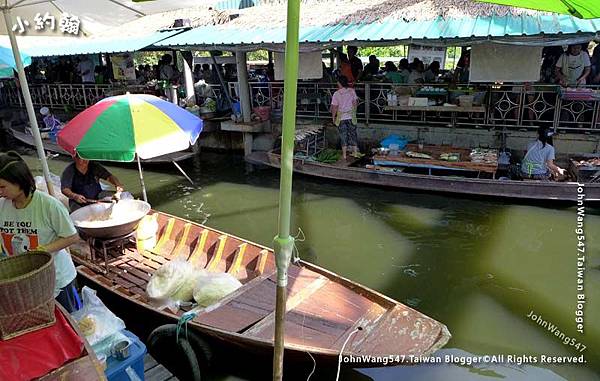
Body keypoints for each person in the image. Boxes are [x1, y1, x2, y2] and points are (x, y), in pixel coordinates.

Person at [0, 152, 81, 312]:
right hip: (25, 281)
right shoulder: (2, 205)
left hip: (57, 278)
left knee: (71, 321)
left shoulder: (48, 205)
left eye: (2, 187)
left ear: (19, 182)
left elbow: (72, 237)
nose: (0, 192)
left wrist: (42, 250)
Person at [331, 75, 361, 160]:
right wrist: (354, 112)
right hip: (351, 116)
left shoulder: (336, 94)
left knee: (343, 135)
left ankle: (344, 155)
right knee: (353, 134)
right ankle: (355, 153)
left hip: (341, 118)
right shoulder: (352, 91)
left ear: (339, 83)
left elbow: (334, 107)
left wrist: (333, 117)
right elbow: (355, 103)